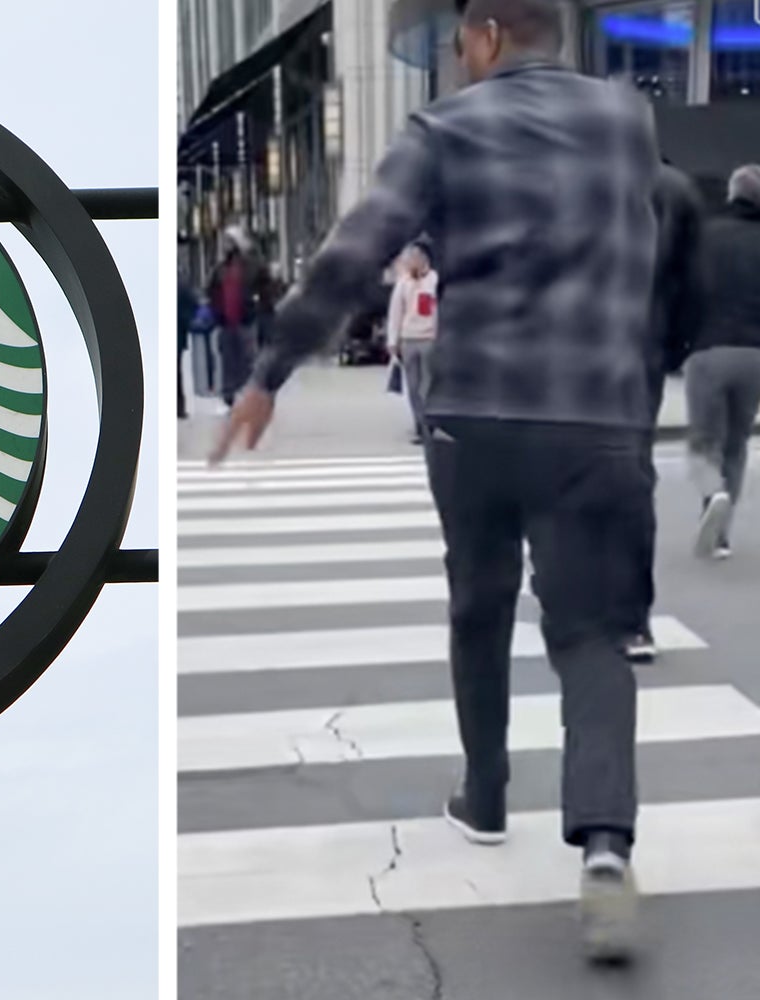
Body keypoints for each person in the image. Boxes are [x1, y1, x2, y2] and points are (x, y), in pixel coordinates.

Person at [211, 0, 659, 961]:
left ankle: (487, 794)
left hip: (479, 412)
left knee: (479, 603)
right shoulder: (628, 121)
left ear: (488, 34)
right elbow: (645, 250)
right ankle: (607, 847)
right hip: (596, 415)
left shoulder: (446, 129)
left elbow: (353, 254)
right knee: (591, 633)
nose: (457, 60)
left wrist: (268, 375)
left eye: (459, 44)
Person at [627, 160, 706, 659]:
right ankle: (634, 621)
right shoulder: (673, 187)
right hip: (639, 355)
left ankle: (565, 595)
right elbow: (695, 285)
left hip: (560, 359)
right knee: (631, 483)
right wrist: (671, 349)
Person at [685, 164, 760, 560]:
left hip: (708, 349)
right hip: (755, 356)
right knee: (736, 444)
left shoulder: (706, 237)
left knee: (702, 442)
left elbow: (683, 288)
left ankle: (712, 493)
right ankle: (721, 537)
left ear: (731, 194)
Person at [385, 240, 439, 444]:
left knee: (428, 386)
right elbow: (395, 312)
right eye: (409, 258)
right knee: (414, 386)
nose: (411, 261)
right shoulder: (404, 282)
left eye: (415, 257)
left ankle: (429, 425)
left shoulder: (434, 281)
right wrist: (393, 340)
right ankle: (420, 425)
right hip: (409, 339)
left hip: (429, 339)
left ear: (425, 259)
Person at [207, 229, 259, 408]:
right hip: (226, 323)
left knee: (247, 360)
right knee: (228, 360)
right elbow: (212, 292)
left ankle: (247, 394)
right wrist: (216, 313)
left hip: (245, 321)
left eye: (230, 242)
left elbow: (263, 286)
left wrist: (256, 305)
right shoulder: (220, 270)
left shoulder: (250, 267)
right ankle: (229, 395)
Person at [178, 276, 199, 420]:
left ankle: (178, 406)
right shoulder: (182, 283)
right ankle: (179, 407)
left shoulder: (181, 284)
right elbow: (193, 305)